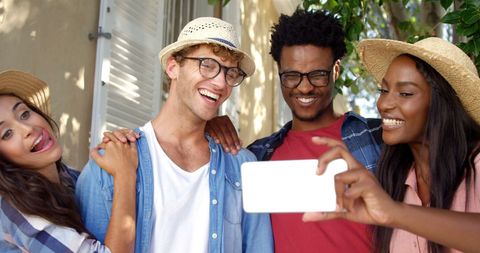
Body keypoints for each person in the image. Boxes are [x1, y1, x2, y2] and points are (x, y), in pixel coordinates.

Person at [75, 17, 273, 253]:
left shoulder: (242, 167)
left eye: (231, 73)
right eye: (207, 64)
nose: (221, 83)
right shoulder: (107, 165)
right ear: (173, 67)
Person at [206, 9, 382, 253]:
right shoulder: (257, 156)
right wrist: (205, 125)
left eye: (318, 75)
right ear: (280, 75)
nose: (305, 87)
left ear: (336, 71)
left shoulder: (377, 138)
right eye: (292, 76)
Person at [304, 37, 480, 253]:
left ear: (443, 104)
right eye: (384, 91)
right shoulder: (394, 178)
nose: (384, 104)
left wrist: (395, 212)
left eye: (405, 93)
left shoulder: (476, 165)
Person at [0, 70, 138, 252]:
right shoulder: (15, 211)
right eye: (7, 133)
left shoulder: (67, 176)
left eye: (24, 114)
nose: (27, 128)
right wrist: (125, 174)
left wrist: (122, 147)